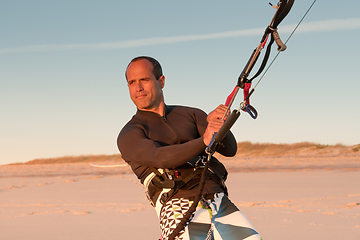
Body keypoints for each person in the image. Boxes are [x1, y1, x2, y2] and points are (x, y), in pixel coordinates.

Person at [117, 56, 262, 240]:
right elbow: (159, 156)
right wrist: (203, 140)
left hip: (217, 199)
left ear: (161, 81)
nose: (138, 87)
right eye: (132, 82)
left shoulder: (192, 114)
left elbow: (230, 149)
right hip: (175, 204)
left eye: (144, 79)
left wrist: (220, 125)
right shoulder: (130, 133)